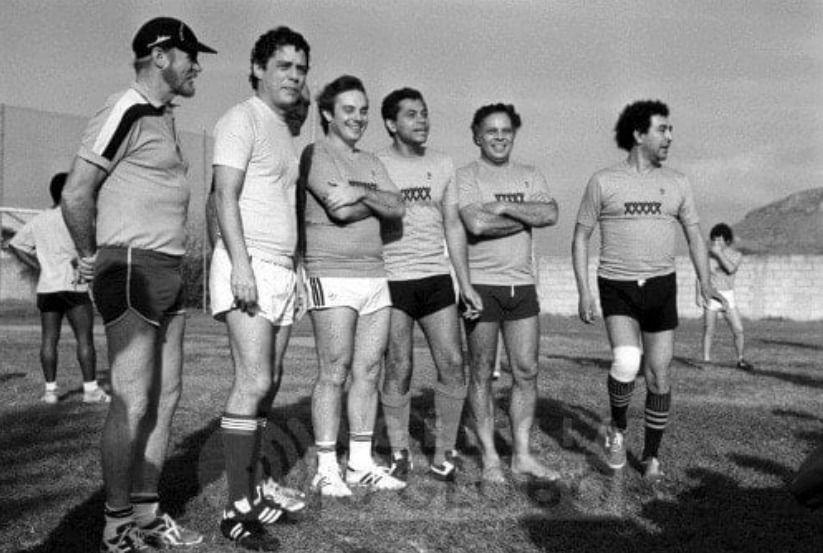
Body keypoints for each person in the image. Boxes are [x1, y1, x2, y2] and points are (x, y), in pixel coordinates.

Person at [60, 17, 215, 552]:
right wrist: (87, 257)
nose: (197, 65)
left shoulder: (163, 118)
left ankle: (147, 515)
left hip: (170, 270)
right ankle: (116, 523)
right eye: (191, 54)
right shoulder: (123, 107)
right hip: (131, 268)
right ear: (161, 55)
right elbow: (77, 193)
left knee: (166, 396)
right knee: (131, 397)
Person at [572, 99, 722, 481]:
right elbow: (581, 236)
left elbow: (693, 235)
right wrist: (584, 291)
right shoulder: (603, 181)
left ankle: (652, 456)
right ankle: (618, 430)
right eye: (662, 129)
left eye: (670, 129)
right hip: (616, 284)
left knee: (658, 374)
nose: (669, 136)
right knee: (625, 361)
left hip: (660, 286)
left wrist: (706, 281)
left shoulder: (678, 182)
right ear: (639, 135)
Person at [209, 27, 310, 551]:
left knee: (269, 381)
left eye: (300, 68)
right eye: (284, 66)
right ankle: (235, 508)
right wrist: (241, 267)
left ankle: (253, 490)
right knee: (251, 380)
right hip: (249, 267)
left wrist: (294, 271)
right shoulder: (240, 118)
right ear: (257, 69)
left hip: (282, 270)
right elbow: (224, 197)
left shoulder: (283, 131)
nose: (294, 75)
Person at [298, 75, 407, 497]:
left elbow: (399, 207)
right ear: (327, 113)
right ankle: (327, 468)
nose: (358, 118)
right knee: (335, 370)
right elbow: (337, 209)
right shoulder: (316, 153)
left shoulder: (373, 162)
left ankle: (360, 464)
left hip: (375, 276)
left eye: (363, 110)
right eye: (349, 110)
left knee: (370, 370)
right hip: (331, 273)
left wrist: (362, 191)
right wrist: (377, 200)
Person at [376, 88, 483, 482]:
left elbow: (453, 225)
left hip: (436, 278)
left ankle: (445, 452)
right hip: (392, 281)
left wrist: (465, 283)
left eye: (424, 114)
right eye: (411, 115)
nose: (421, 121)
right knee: (398, 366)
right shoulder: (376, 164)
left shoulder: (442, 163)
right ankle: (400, 452)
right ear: (391, 123)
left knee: (454, 363)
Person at [457, 103, 560, 483]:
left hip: (522, 286)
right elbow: (476, 224)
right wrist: (521, 215)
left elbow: (551, 214)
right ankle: (488, 457)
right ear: (477, 136)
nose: (499, 137)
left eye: (506, 131)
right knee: (481, 373)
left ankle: (521, 455)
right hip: (482, 287)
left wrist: (504, 206)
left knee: (527, 371)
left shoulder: (531, 174)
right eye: (491, 131)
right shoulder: (466, 176)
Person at [9, 173, 109, 405]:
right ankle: (91, 390)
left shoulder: (39, 220)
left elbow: (15, 245)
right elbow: (91, 250)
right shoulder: (79, 219)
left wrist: (39, 265)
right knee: (84, 338)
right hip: (74, 286)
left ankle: (50, 392)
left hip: (48, 287)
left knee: (48, 339)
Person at [700, 223, 754, 371]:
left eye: (719, 240)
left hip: (728, 295)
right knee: (709, 329)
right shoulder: (707, 256)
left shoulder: (736, 255)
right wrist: (698, 294)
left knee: (739, 329)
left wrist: (718, 254)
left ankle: (740, 359)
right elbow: (701, 276)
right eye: (714, 240)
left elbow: (730, 269)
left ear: (727, 241)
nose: (716, 243)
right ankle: (706, 360)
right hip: (712, 294)